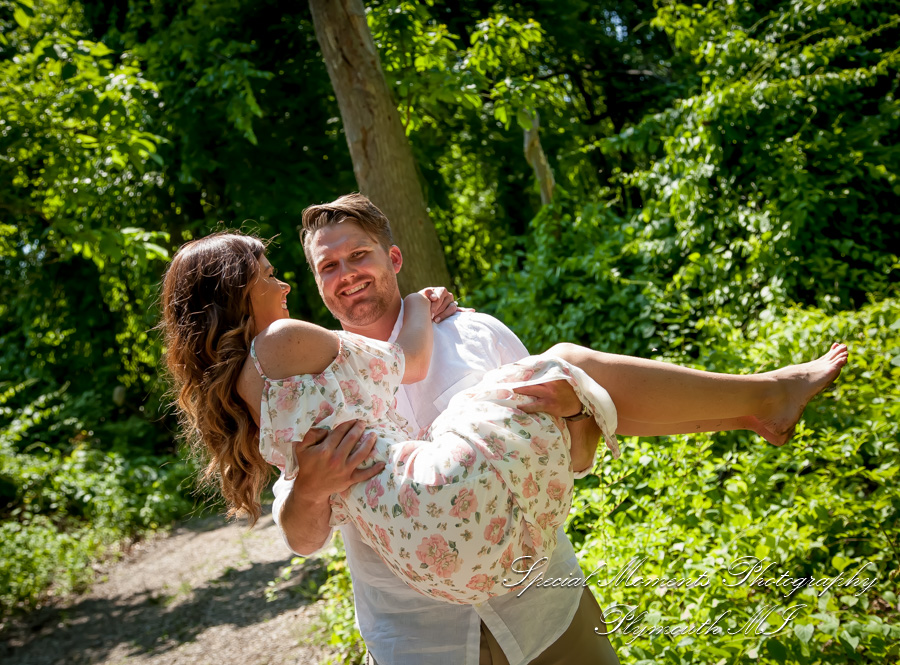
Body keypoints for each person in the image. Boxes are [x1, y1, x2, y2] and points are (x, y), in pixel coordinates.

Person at [160, 196, 847, 664]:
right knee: (574, 363)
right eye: (324, 267)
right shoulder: (307, 370)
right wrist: (308, 487)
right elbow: (304, 535)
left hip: (544, 605)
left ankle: (760, 403)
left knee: (571, 377)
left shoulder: (475, 332)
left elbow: (575, 458)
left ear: (393, 257)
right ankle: (765, 397)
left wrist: (575, 411)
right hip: (422, 638)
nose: (345, 276)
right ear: (312, 283)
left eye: (358, 255)